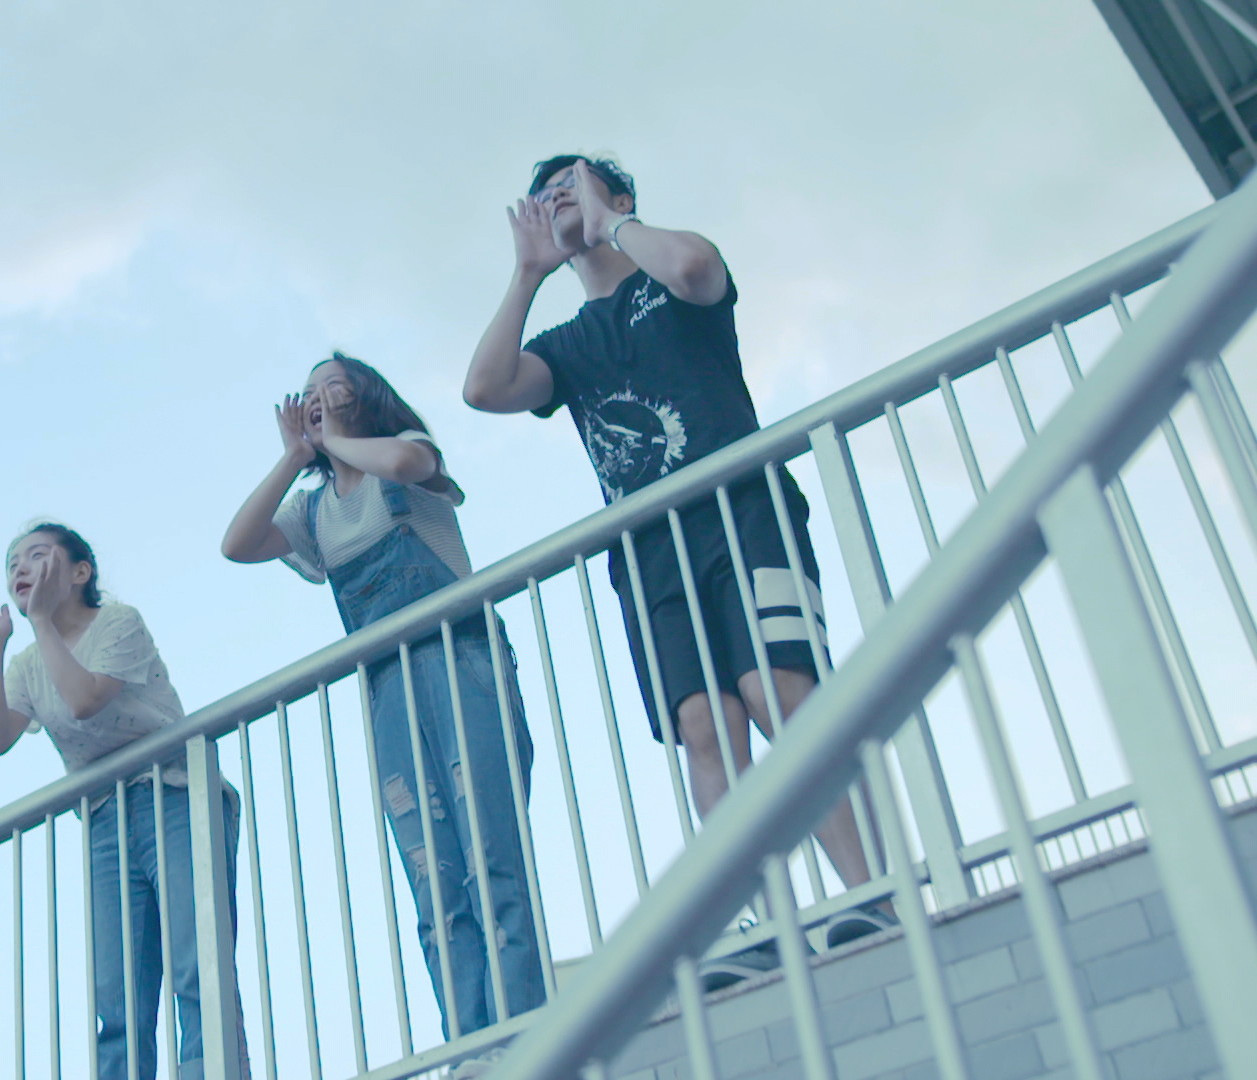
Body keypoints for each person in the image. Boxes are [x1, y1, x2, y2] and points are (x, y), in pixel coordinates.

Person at [461, 155, 891, 985]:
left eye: (572, 185)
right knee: (704, 725)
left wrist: (610, 222)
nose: (558, 200)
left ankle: (872, 893)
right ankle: (765, 923)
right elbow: (485, 388)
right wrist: (528, 274)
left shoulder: (668, 275)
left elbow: (698, 268)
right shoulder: (565, 345)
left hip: (745, 509)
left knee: (778, 691)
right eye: (546, 196)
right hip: (651, 549)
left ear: (618, 194)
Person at [220, 353, 545, 1058]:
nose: (315, 397)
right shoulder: (313, 511)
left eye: (330, 385)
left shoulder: (406, 455)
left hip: (461, 660)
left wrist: (333, 440)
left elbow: (404, 461)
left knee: (492, 856)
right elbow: (237, 545)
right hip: (389, 692)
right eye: (307, 391)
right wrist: (293, 460)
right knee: (433, 878)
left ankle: (527, 1036)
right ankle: (473, 1049)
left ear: (364, 393)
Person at [0, 523, 240, 1080]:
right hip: (105, 821)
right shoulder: (27, 664)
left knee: (197, 966)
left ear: (80, 571)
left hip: (174, 795)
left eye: (37, 556)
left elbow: (85, 699)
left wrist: (41, 621)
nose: (20, 569)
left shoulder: (117, 622)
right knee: (117, 998)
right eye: (13, 563)